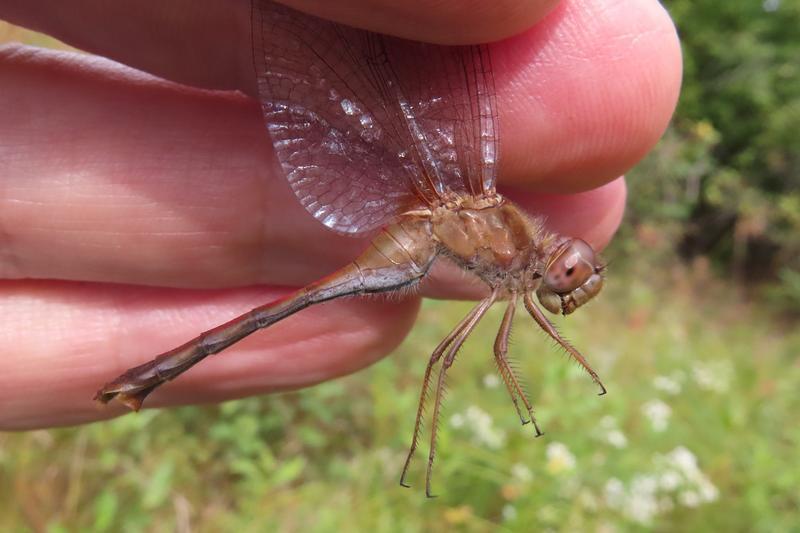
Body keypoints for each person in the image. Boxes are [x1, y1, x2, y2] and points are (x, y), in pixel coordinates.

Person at [0, 0, 681, 430]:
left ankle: (145, 377)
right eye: (571, 272)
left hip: (427, 228)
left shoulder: (506, 255)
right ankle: (150, 374)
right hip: (422, 230)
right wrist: (575, 365)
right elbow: (499, 349)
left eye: (573, 275)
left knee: (444, 355)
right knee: (445, 357)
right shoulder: (500, 245)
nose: (572, 279)